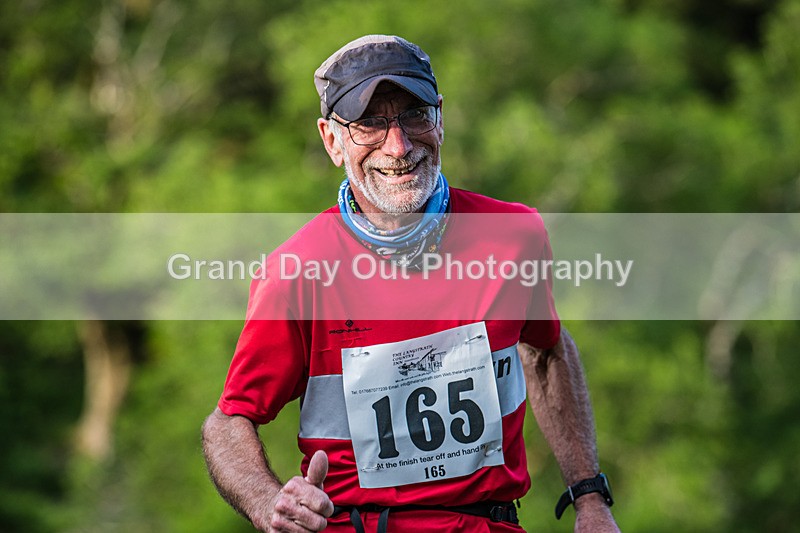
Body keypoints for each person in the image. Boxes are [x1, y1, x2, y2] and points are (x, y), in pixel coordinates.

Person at [202, 35, 620, 533]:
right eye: (370, 123)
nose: (398, 146)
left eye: (414, 114)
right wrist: (266, 501)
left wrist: (590, 500)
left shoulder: (513, 235)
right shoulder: (296, 272)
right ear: (332, 141)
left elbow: (547, 352)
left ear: (440, 119)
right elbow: (227, 421)